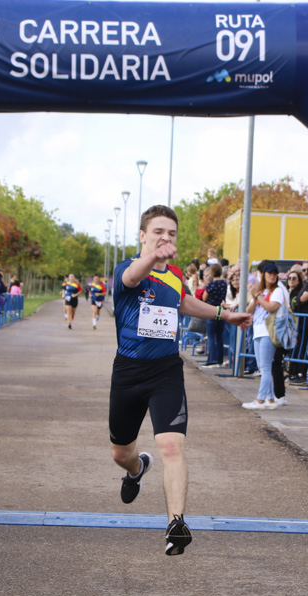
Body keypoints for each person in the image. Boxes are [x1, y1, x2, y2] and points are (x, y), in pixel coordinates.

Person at [109, 205, 252, 556]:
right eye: (158, 232)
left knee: (172, 447)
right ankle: (136, 468)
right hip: (128, 371)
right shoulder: (126, 270)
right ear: (142, 235)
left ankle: (176, 523)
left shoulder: (174, 273)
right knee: (119, 453)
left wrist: (225, 315)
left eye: (171, 234)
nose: (165, 238)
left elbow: (183, 303)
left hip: (166, 371)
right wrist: (153, 256)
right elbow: (133, 278)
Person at [243, 261, 290, 409]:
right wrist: (255, 296)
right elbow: (249, 310)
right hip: (258, 331)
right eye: (270, 273)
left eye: (275, 274)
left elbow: (271, 307)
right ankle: (270, 399)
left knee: (265, 368)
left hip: (269, 332)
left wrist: (258, 297)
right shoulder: (261, 291)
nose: (272, 276)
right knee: (263, 366)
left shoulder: (277, 291)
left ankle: (260, 399)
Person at [201, 263, 228, 368]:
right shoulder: (224, 283)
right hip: (221, 310)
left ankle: (212, 358)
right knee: (219, 335)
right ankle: (220, 359)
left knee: (211, 336)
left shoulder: (211, 285)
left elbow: (204, 298)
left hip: (211, 310)